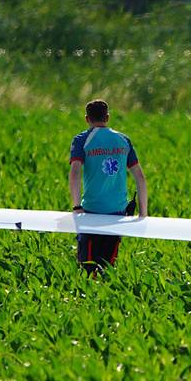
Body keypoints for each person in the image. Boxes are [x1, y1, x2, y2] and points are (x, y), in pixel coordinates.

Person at [69, 99, 148, 275]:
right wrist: (143, 213)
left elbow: (75, 173)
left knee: (87, 269)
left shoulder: (82, 140)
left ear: (86, 119)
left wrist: (76, 207)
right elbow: (140, 178)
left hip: (90, 212)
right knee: (107, 269)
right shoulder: (123, 140)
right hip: (117, 213)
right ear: (108, 117)